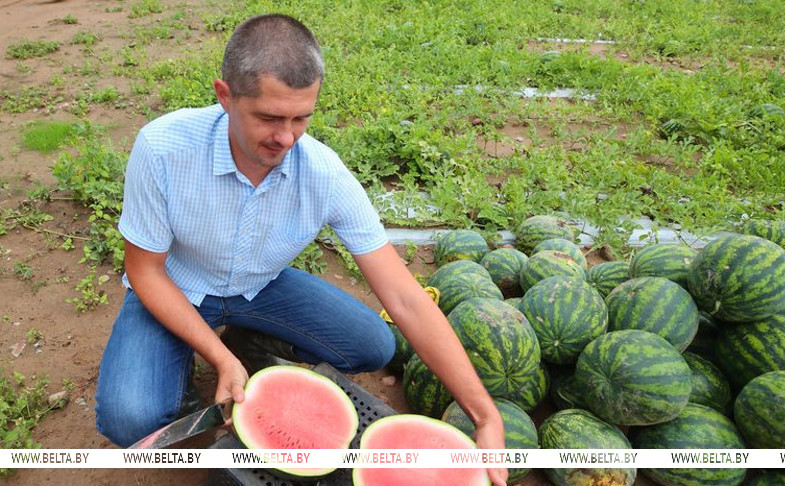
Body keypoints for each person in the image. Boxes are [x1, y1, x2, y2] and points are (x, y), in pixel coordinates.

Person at [94, 13, 508, 485]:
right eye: (269, 117)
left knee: (373, 344)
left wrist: (484, 415)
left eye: (301, 117)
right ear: (225, 96)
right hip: (176, 287)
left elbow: (407, 298)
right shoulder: (163, 149)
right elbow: (145, 272)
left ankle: (250, 344)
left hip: (260, 288)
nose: (286, 138)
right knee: (131, 417)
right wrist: (218, 360)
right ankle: (196, 367)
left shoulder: (323, 173)